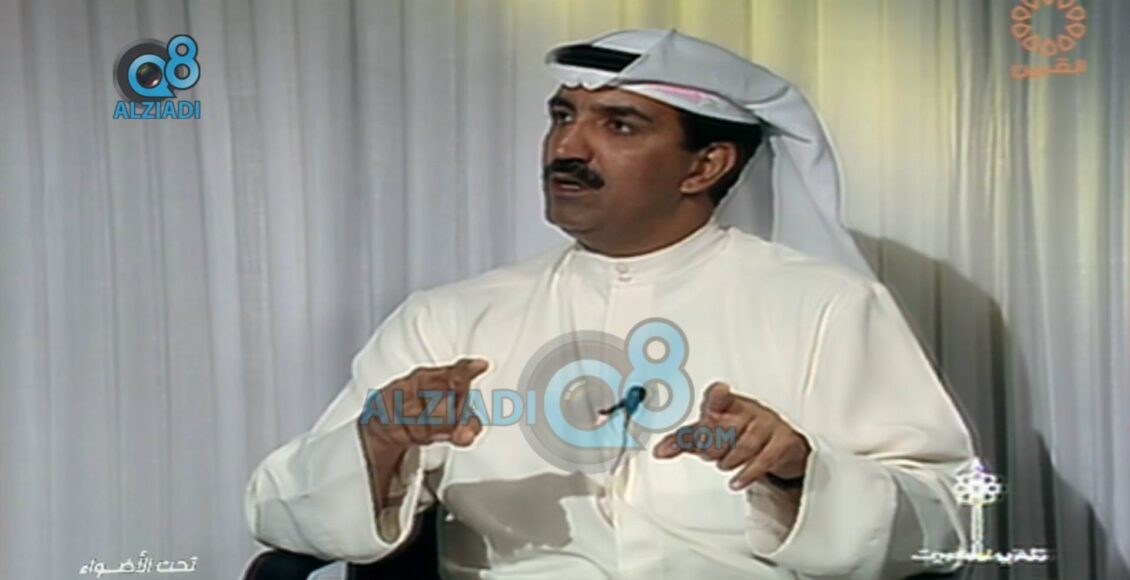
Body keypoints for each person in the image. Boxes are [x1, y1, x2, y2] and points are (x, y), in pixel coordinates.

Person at [245, 29, 975, 579]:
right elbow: (276, 508)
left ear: (706, 165)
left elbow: (947, 518)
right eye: (562, 116)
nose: (567, 146)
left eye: (618, 125)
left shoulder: (826, 306)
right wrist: (378, 442)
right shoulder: (450, 318)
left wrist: (798, 471)